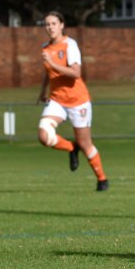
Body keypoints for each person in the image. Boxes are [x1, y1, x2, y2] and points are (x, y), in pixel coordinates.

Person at [37, 11, 109, 191]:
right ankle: (70, 148)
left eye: (54, 23)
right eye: (47, 24)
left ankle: (102, 179)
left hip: (78, 100)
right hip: (56, 100)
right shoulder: (45, 47)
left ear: (62, 25)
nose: (50, 27)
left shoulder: (70, 45)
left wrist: (53, 63)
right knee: (44, 136)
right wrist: (42, 91)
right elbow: (48, 72)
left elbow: (75, 73)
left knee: (85, 144)